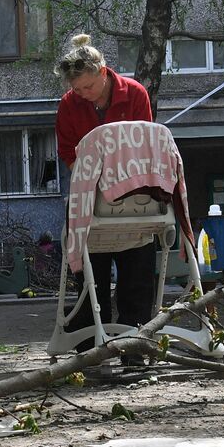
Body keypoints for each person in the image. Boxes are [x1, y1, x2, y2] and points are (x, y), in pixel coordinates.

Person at [54, 34, 156, 360]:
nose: (84, 95)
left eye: (89, 88)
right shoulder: (70, 104)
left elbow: (143, 144)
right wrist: (92, 184)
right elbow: (69, 153)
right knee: (88, 279)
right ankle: (89, 351)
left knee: (136, 275)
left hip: (133, 195)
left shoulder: (135, 94)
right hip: (89, 199)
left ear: (102, 72)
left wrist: (119, 185)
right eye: (77, 89)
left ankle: (135, 347)